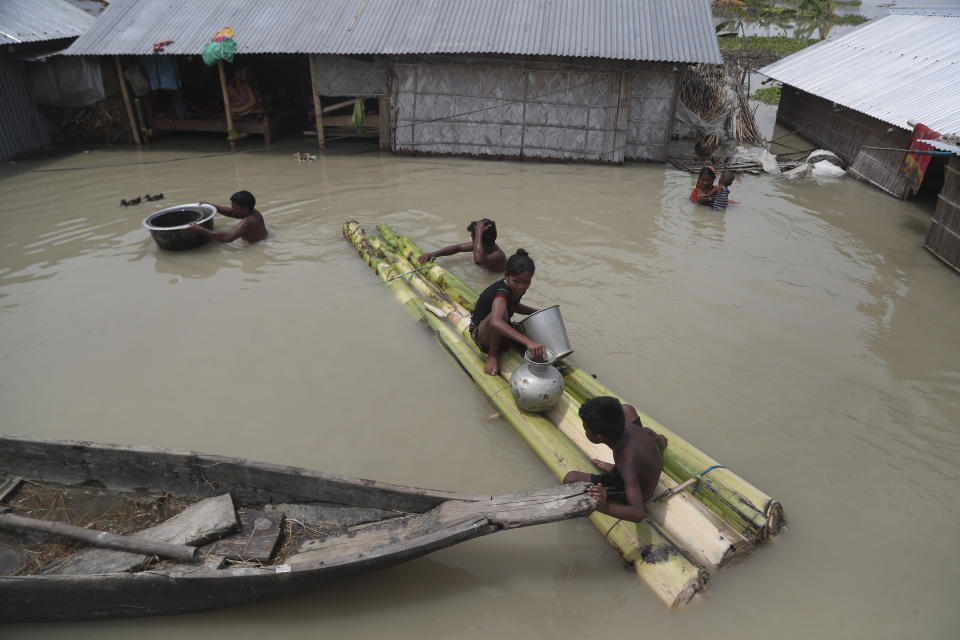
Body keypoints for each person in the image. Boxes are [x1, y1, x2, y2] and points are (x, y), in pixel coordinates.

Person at [562, 396, 668, 523]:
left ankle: (614, 475)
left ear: (599, 436)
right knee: (627, 409)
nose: (585, 432)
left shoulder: (627, 463)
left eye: (586, 430)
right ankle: (616, 470)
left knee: (571, 478)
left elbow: (637, 514)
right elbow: (648, 432)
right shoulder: (627, 425)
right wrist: (657, 440)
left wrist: (603, 506)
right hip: (644, 463)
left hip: (639, 489)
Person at [470, 249, 547, 376]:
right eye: (516, 281)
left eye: (526, 282)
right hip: (480, 334)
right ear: (506, 275)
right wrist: (529, 342)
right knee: (501, 315)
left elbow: (513, 305)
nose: (521, 286)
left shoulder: (518, 288)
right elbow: (495, 321)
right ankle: (493, 355)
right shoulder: (502, 292)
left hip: (497, 329)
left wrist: (533, 311)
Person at [417, 219, 506, 272]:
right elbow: (458, 248)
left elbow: (479, 260)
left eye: (472, 235)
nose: (471, 237)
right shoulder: (483, 246)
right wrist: (433, 254)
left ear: (477, 238)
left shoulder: (497, 255)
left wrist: (478, 232)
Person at [189, 190, 267, 244]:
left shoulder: (249, 221)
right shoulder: (252, 211)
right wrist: (212, 206)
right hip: (261, 240)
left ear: (244, 209)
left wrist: (200, 229)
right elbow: (230, 212)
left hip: (254, 247)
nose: (233, 210)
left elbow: (228, 238)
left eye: (235, 208)